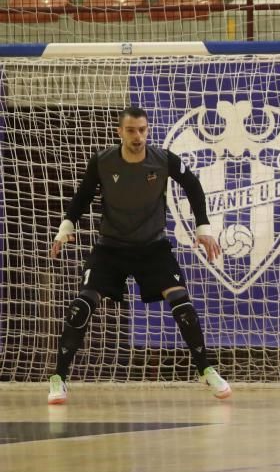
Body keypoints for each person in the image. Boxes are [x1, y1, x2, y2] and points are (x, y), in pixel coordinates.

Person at [48, 106, 231, 404]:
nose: (138, 136)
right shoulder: (103, 162)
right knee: (83, 303)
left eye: (143, 129)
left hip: (152, 247)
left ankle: (206, 369)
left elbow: (194, 186)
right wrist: (65, 227)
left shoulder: (162, 160)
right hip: (111, 247)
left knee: (181, 302)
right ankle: (58, 378)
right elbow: (82, 195)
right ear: (119, 132)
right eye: (132, 130)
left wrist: (203, 228)